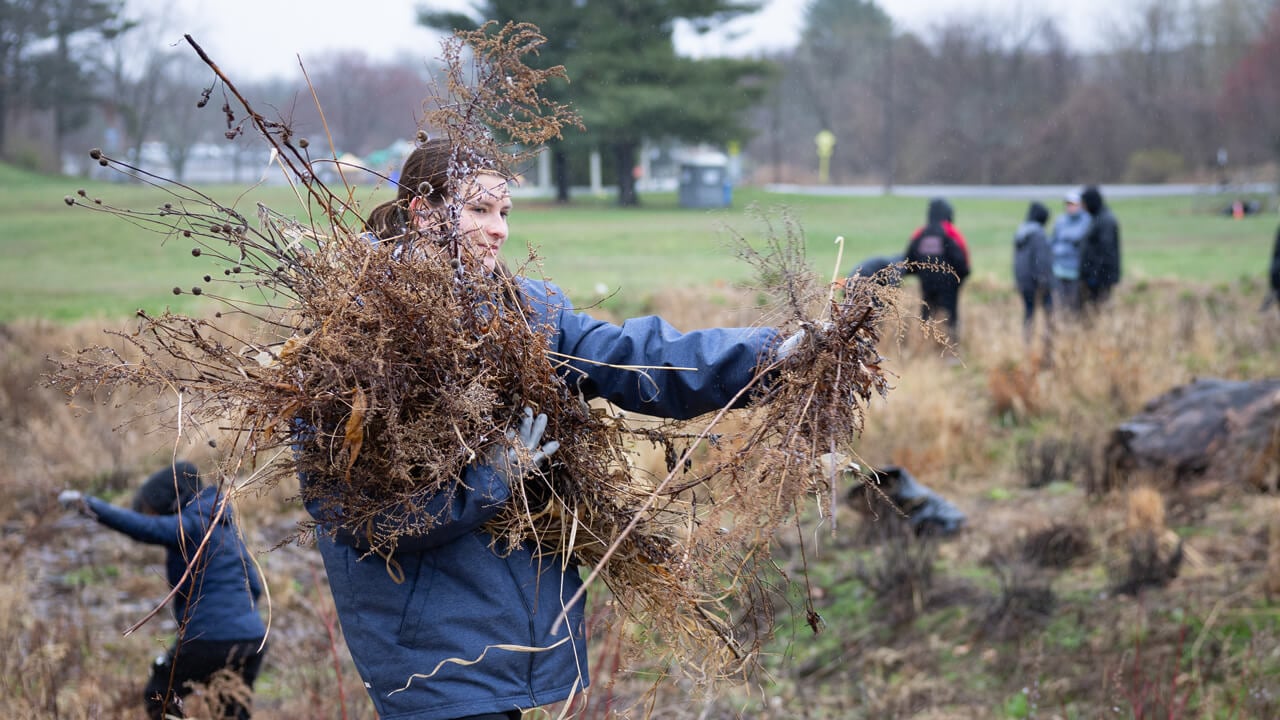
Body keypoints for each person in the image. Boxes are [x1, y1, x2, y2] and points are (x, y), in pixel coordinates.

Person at [305, 138, 799, 720]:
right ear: (423, 211)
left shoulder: (526, 315)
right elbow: (350, 511)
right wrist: (492, 478)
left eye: (505, 213)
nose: (499, 231)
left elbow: (634, 357)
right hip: (428, 653)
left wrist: (772, 357)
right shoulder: (355, 335)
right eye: (479, 210)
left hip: (501, 637)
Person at [57, 461, 267, 720]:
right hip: (253, 638)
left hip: (207, 637)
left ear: (169, 503)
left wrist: (87, 505)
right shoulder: (226, 527)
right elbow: (255, 586)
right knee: (232, 711)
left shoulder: (192, 525)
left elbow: (145, 528)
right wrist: (239, 621)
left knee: (161, 695)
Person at [903, 197, 970, 338]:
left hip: (927, 284)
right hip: (949, 285)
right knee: (949, 317)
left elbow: (908, 262)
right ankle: (950, 348)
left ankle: (926, 346)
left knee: (927, 315)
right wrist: (958, 280)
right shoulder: (951, 233)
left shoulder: (920, 234)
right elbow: (963, 262)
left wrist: (923, 274)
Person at [1013, 201, 1053, 345]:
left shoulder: (1021, 232)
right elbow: (1042, 261)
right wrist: (1045, 281)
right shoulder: (1039, 235)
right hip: (1037, 281)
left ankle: (1027, 342)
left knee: (1029, 313)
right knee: (1049, 314)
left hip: (1023, 281)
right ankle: (1048, 344)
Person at [1078, 185, 1122, 310]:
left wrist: (1095, 275)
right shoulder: (1097, 218)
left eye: (1084, 203)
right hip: (1093, 276)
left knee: (1099, 309)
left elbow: (1106, 251)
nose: (1083, 207)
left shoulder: (1106, 220)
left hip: (1101, 278)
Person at [1049, 191, 1090, 317]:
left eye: (1073, 204)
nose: (1070, 207)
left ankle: (1073, 330)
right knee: (1059, 304)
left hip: (1075, 269)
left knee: (1074, 304)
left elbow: (1080, 239)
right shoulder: (1060, 221)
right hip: (1059, 268)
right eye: (1068, 204)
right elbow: (1053, 240)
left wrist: (1067, 240)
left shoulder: (1086, 220)